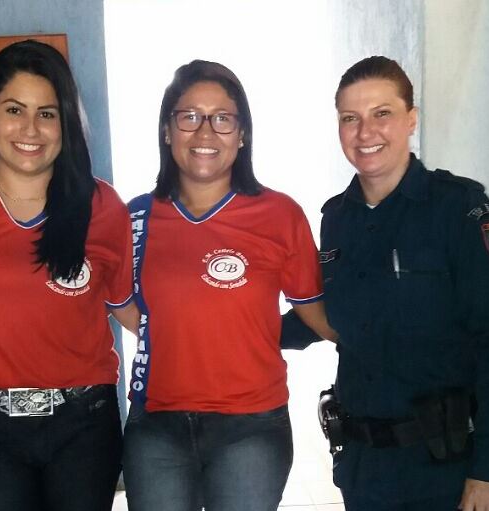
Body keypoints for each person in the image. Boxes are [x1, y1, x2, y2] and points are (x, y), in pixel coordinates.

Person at [0, 40, 135, 511]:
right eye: (14, 109)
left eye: (47, 113)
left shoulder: (102, 206)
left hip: (83, 423)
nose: (30, 129)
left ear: (66, 122)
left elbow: (129, 308)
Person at [314, 55, 489, 510]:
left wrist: (488, 468)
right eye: (350, 118)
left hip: (442, 473)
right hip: (362, 470)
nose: (365, 132)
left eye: (382, 113)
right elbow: (327, 313)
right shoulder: (336, 219)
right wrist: (234, 328)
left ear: (411, 119)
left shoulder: (457, 208)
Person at [121, 60, 336, 511]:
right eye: (189, 116)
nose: (205, 132)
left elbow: (316, 314)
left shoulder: (279, 215)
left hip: (250, 427)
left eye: (222, 118)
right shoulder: (135, 217)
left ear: (242, 135)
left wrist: (390, 340)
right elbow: (119, 301)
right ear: (167, 131)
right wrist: (179, 333)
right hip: (157, 426)